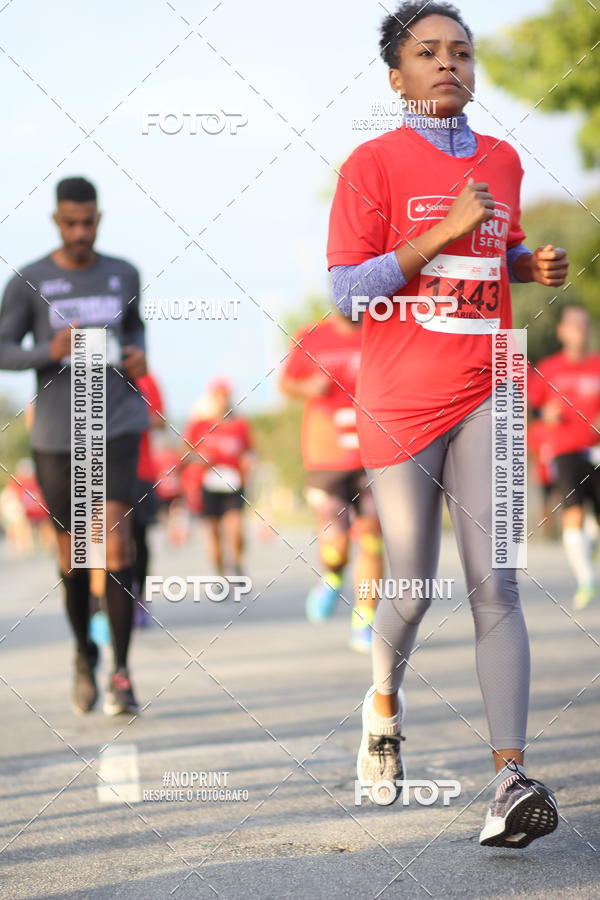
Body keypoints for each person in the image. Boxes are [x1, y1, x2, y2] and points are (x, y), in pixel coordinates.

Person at [327, 3, 569, 847]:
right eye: (427, 54)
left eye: (461, 52)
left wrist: (523, 262)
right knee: (413, 584)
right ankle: (383, 704)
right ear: (397, 77)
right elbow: (349, 292)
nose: (448, 65)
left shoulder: (502, 161)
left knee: (495, 583)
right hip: (398, 400)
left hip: (492, 386)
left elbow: (491, 249)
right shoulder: (371, 163)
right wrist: (442, 234)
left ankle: (508, 780)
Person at [0, 176, 148, 716]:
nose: (81, 232)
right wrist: (49, 349)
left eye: (89, 222)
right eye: (71, 223)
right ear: (57, 221)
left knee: (114, 548)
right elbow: (3, 349)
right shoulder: (30, 281)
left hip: (117, 421)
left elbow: (136, 331)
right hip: (60, 433)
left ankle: (122, 672)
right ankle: (84, 653)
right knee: (72, 556)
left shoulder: (123, 273)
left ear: (98, 219)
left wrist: (138, 358)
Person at [279, 311, 384, 652]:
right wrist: (308, 386)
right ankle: (334, 575)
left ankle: (365, 619)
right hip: (326, 455)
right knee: (336, 545)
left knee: (371, 538)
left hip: (375, 451)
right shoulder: (311, 335)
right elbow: (286, 382)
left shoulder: (384, 329)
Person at [529, 305, 600, 610]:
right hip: (564, 448)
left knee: (594, 521)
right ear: (562, 331)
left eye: (584, 325)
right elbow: (531, 406)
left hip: (596, 449)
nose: (579, 331)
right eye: (573, 325)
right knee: (573, 512)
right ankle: (586, 580)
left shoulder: (598, 364)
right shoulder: (549, 367)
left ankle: (588, 562)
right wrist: (544, 413)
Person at [182, 379, 254, 578]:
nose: (222, 400)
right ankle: (220, 572)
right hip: (209, 485)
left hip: (233, 484)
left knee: (235, 528)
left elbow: (250, 452)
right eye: (218, 396)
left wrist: (249, 462)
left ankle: (237, 565)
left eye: (226, 396)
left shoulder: (240, 425)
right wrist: (199, 458)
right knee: (213, 534)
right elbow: (185, 454)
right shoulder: (199, 425)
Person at [132, 372, 165, 626]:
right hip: (100, 472)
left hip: (140, 471)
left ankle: (139, 597)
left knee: (138, 537)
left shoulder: (145, 378)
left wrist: (128, 419)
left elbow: (160, 420)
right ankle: (100, 603)